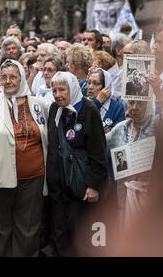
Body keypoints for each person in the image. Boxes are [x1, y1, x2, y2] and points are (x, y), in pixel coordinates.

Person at [0, 59, 49, 257]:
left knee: (29, 229)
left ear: (22, 78)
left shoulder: (38, 105)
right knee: (0, 229)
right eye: (4, 77)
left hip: (34, 178)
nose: (8, 81)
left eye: (13, 77)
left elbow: (46, 138)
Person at [46, 71, 108, 256]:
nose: (58, 94)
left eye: (62, 89)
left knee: (81, 236)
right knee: (60, 235)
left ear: (72, 89)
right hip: (58, 188)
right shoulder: (54, 109)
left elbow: (98, 151)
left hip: (80, 189)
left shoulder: (88, 110)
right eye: (54, 90)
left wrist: (93, 185)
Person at [106, 100, 157, 230]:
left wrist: (159, 93)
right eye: (131, 103)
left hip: (149, 198)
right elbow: (100, 145)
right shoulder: (119, 128)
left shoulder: (156, 126)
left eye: (140, 104)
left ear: (148, 105)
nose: (134, 107)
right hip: (122, 195)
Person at [87, 68, 125, 133]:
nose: (90, 87)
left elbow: (118, 135)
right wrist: (97, 103)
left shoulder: (117, 107)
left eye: (95, 83)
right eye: (89, 82)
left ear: (105, 87)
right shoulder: (83, 103)